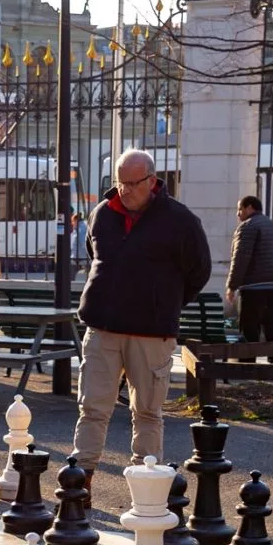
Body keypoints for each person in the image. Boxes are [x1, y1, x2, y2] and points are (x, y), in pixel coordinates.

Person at [72, 148, 211, 506]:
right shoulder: (102, 214)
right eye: (119, 183)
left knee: (147, 411)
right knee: (92, 407)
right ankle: (80, 482)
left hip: (152, 332)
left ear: (152, 181)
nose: (125, 191)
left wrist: (163, 303)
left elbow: (199, 271)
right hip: (103, 326)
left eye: (133, 184)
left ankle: (146, 487)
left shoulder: (180, 220)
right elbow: (96, 255)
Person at [225, 194, 273, 365]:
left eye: (239, 209)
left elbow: (240, 258)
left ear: (249, 208)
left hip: (255, 282)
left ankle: (248, 361)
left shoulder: (248, 227)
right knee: (269, 318)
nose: (238, 214)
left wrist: (232, 286)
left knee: (249, 321)